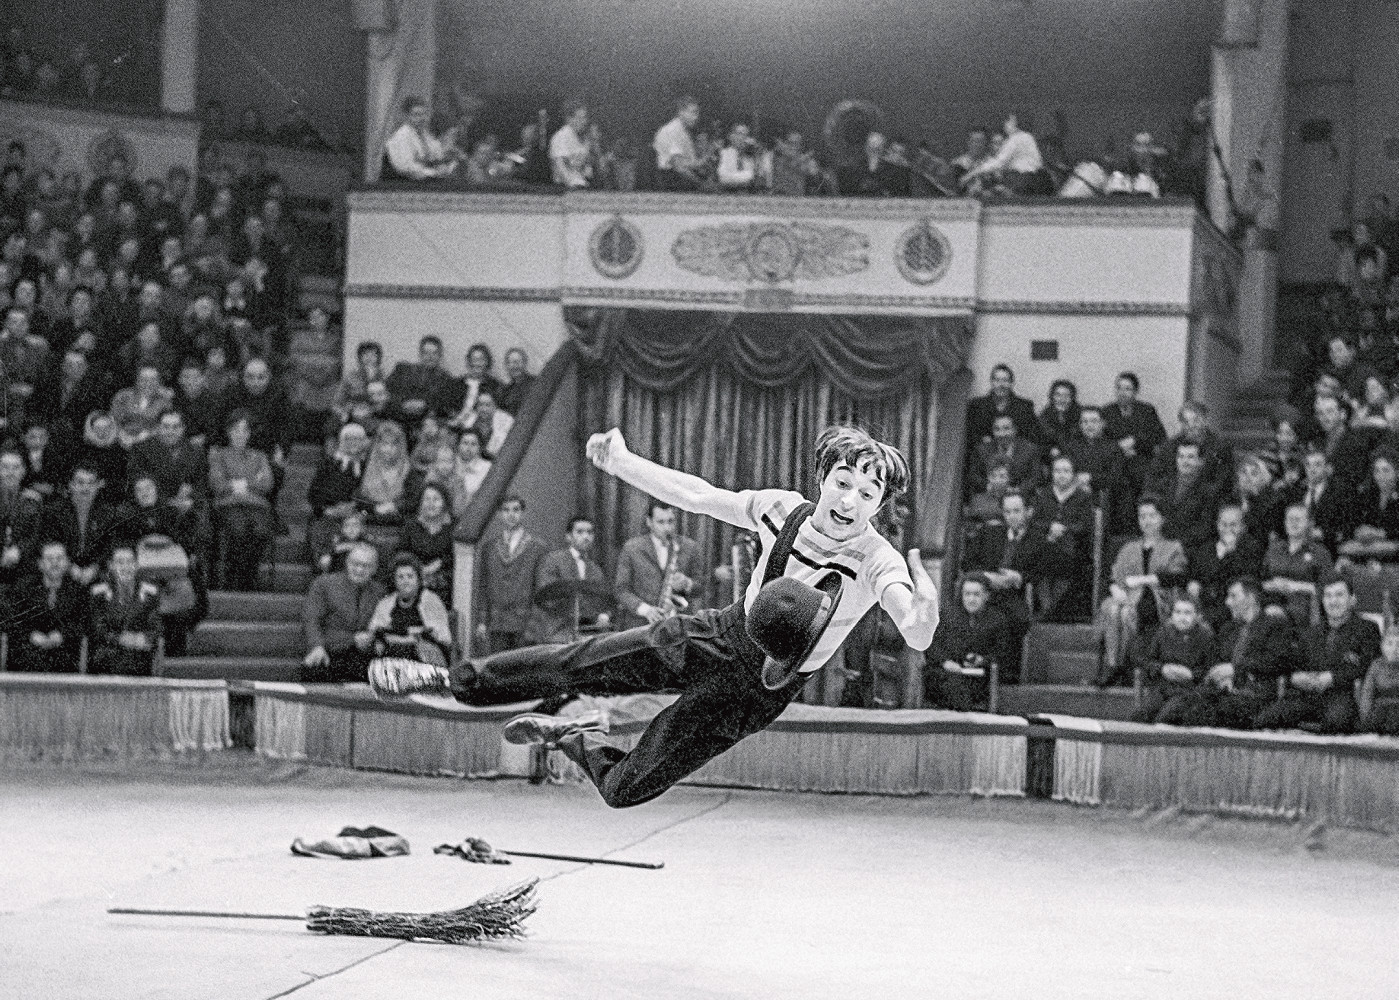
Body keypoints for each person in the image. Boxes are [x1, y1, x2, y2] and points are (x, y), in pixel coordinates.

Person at [370, 424, 939, 809]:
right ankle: (450, 679)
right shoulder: (780, 510)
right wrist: (621, 462)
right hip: (717, 635)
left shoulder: (877, 559)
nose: (850, 501)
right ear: (824, 477)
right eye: (844, 483)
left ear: (879, 504)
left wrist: (924, 615)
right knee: (581, 662)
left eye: (868, 494)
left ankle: (573, 737)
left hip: (758, 692)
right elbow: (695, 494)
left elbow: (911, 626)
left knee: (626, 789)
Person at [1253, 575, 1378, 734]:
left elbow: (1367, 665)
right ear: (1322, 601)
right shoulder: (1311, 632)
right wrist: (1294, 677)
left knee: (1336, 723)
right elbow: (1292, 662)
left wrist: (1332, 678)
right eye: (1328, 596)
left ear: (1352, 599)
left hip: (1341, 694)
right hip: (1307, 695)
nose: (1333, 601)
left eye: (1339, 595)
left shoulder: (1367, 629)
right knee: (1264, 720)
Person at [1094, 495, 1188, 686]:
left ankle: (1120, 665)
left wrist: (1143, 580)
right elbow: (1113, 577)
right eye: (1142, 516)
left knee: (1126, 613)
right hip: (1127, 597)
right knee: (1114, 608)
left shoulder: (1173, 547)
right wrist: (1115, 589)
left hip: (1157, 599)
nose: (1147, 521)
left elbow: (1176, 576)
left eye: (1152, 516)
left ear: (1162, 518)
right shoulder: (1128, 548)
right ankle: (1113, 664)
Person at [1202, 576, 1298, 729]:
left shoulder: (1274, 626)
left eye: (1233, 596)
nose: (1227, 602)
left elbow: (1276, 662)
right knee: (1188, 703)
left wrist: (1237, 669)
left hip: (1256, 694)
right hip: (1224, 692)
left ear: (1251, 598)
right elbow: (1214, 658)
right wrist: (1220, 677)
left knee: (1213, 710)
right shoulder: (1229, 629)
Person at [923, 573, 1011, 712]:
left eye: (976, 595)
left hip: (979, 677)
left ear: (986, 596)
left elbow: (1003, 653)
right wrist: (945, 662)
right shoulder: (948, 616)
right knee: (948, 683)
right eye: (967, 594)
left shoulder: (998, 620)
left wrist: (982, 660)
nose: (971, 599)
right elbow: (932, 645)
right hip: (946, 673)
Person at [208, 409, 275, 590]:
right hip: (228, 505)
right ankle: (233, 578)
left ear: (250, 433)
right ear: (228, 432)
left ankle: (249, 576)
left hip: (257, 506)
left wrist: (237, 483)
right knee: (238, 530)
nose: (240, 434)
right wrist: (252, 482)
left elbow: (267, 484)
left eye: (245, 430)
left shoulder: (259, 456)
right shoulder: (218, 455)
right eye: (236, 429)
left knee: (260, 531)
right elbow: (217, 484)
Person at [475, 494, 549, 654]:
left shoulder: (537, 548)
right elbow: (483, 587)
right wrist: (482, 621)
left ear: (523, 513)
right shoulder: (489, 547)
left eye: (516, 510)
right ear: (499, 514)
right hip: (497, 621)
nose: (511, 514)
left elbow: (540, 589)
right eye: (506, 510)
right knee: (497, 664)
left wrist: (534, 624)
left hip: (524, 622)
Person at [303, 543, 387, 683]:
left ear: (374, 569)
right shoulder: (324, 584)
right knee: (316, 668)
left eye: (366, 566)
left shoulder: (380, 592)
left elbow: (382, 625)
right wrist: (316, 646)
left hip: (363, 655)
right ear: (347, 563)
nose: (359, 570)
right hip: (331, 649)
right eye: (355, 564)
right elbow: (312, 619)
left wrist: (373, 639)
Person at [614, 500, 703, 630]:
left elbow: (700, 586)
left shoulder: (690, 547)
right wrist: (646, 610)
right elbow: (621, 590)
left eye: (670, 521)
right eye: (661, 522)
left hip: (678, 625)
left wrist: (687, 583)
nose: (667, 528)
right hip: (640, 625)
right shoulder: (632, 548)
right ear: (649, 522)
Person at [4, 541, 86, 673]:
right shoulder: (24, 588)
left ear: (67, 563)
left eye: (59, 558)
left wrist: (62, 635)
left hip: (63, 654)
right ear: (40, 564)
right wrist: (31, 635)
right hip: (29, 653)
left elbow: (81, 623)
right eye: (49, 559)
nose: (55, 563)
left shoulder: (77, 591)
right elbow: (13, 621)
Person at [1133, 596, 1215, 724]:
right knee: (1140, 717)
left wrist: (1191, 675)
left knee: (1164, 718)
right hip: (1163, 688)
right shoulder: (1163, 632)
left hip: (1190, 692)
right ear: (1171, 616)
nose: (1182, 617)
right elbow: (1147, 660)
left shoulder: (1206, 636)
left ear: (1197, 616)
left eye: (1187, 613)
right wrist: (1162, 669)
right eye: (1178, 612)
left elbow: (1211, 668)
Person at [530, 515, 611, 643]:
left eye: (589, 532)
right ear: (568, 536)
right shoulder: (553, 560)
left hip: (585, 633)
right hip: (554, 631)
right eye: (580, 532)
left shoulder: (596, 570)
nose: (586, 537)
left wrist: (603, 615)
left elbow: (601, 600)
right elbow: (547, 596)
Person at [369, 552, 454, 671]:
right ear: (394, 580)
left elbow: (441, 637)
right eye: (400, 577)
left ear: (418, 579)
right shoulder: (386, 602)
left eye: (410, 576)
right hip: (393, 657)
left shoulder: (431, 600)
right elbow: (376, 631)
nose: (405, 581)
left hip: (424, 660)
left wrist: (404, 638)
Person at [87, 544, 162, 676]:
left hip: (139, 658)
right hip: (108, 659)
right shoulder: (98, 593)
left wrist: (144, 639)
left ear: (136, 565)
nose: (125, 567)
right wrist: (121, 639)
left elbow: (156, 628)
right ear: (111, 565)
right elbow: (97, 629)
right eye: (120, 562)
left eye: (130, 562)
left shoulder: (151, 592)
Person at [1101, 371, 1167, 508]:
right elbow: (1101, 440)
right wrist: (1119, 447)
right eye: (1119, 388)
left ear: (1136, 392)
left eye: (1127, 389)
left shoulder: (1147, 410)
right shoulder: (1107, 411)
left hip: (1142, 463)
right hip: (1115, 464)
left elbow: (1159, 437)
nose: (1122, 392)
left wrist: (1135, 441)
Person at [961, 113, 1046, 195]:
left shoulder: (1016, 138)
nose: (1005, 125)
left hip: (1023, 180)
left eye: (1008, 121)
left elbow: (999, 162)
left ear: (1015, 123)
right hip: (1032, 181)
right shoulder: (1028, 137)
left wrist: (971, 174)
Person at [387, 335, 457, 427]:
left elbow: (445, 405)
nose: (430, 357)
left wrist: (425, 405)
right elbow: (386, 393)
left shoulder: (447, 379)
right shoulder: (403, 370)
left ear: (440, 355)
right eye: (426, 353)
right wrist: (402, 404)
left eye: (434, 353)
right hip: (398, 418)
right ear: (420, 354)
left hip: (427, 422)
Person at [383, 96, 458, 180]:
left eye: (424, 114)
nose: (422, 118)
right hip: (403, 183)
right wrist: (434, 172)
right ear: (407, 116)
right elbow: (407, 168)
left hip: (424, 180)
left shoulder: (424, 134)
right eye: (416, 115)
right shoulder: (401, 136)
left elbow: (436, 154)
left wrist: (443, 165)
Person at [401, 483, 455, 601]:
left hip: (445, 579)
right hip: (415, 575)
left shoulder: (454, 527)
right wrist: (418, 568)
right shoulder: (411, 526)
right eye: (427, 499)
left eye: (436, 499)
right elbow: (402, 553)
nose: (431, 504)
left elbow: (455, 555)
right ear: (420, 503)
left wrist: (439, 564)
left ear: (444, 503)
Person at [966, 364, 1041, 448]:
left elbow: (1032, 438)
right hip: (984, 453)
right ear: (991, 382)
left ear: (1011, 383)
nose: (1001, 385)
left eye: (1005, 380)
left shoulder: (1024, 407)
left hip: (1017, 453)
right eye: (997, 380)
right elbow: (970, 437)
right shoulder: (977, 406)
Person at [969, 414, 1042, 497]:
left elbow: (1036, 477)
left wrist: (1017, 490)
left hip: (1021, 496)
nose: (1002, 434)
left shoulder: (1030, 449)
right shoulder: (981, 449)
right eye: (997, 429)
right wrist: (988, 487)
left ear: (1014, 430)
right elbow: (973, 475)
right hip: (990, 496)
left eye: (1006, 428)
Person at [356, 421, 411, 524]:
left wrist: (394, 506)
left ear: (400, 447)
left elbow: (413, 500)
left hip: (400, 523)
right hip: (370, 520)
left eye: (393, 444)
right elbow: (358, 497)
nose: (388, 449)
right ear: (378, 445)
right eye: (385, 444)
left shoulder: (410, 471)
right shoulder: (365, 467)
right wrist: (375, 507)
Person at [652, 97, 704, 191]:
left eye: (697, 113)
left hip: (681, 178)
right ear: (681, 112)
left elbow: (689, 162)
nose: (696, 117)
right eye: (693, 112)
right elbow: (678, 167)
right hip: (673, 181)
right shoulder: (673, 130)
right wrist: (701, 185)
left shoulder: (682, 131)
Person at [1358, 625, 1399, 735]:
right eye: (1389, 644)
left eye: (1398, 645)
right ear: (1382, 646)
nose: (1394, 649)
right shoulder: (1376, 665)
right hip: (1380, 709)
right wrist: (1365, 717)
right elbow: (1367, 693)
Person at [549, 103, 593, 189]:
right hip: (564, 188)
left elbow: (587, 165)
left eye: (585, 118)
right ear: (569, 119)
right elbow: (560, 165)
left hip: (582, 185)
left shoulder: (585, 138)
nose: (584, 121)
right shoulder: (561, 136)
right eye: (580, 118)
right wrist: (571, 184)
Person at [1038, 380, 1081, 458]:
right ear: (1052, 397)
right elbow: (1040, 443)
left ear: (1072, 398)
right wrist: (1049, 450)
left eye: (1067, 396)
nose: (1062, 400)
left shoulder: (1081, 417)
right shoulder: (1043, 418)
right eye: (1058, 395)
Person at [495, 347, 536, 416]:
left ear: (525, 363)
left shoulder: (536, 383)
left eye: (517, 362)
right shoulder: (504, 391)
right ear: (506, 366)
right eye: (510, 363)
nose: (514, 366)